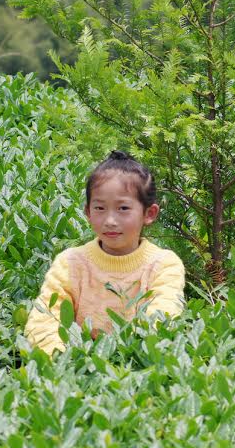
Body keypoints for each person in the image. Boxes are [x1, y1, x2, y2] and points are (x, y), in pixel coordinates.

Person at [25, 151, 185, 355]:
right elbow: (45, 318)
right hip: (76, 366)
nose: (110, 220)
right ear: (88, 213)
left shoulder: (164, 265)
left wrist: (131, 357)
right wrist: (62, 359)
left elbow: (163, 317)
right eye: (100, 208)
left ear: (149, 213)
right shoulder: (70, 262)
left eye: (123, 208)